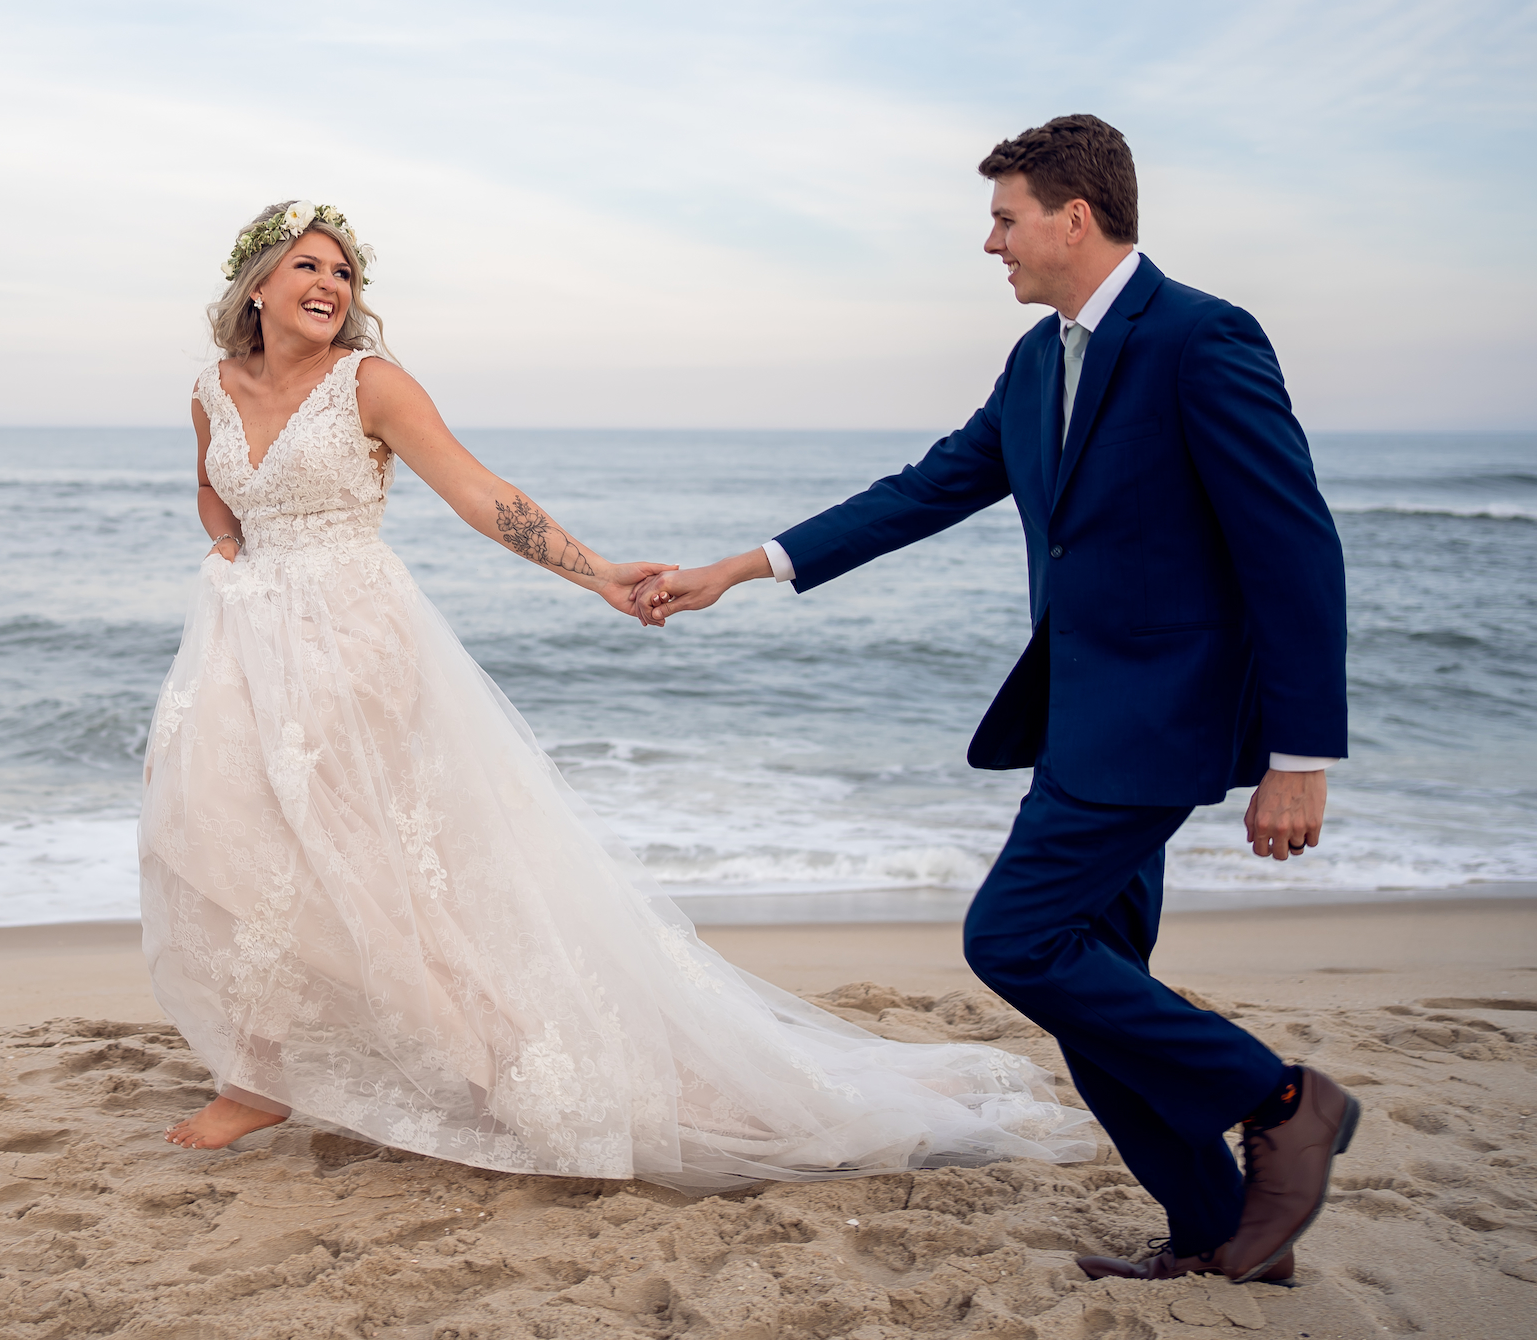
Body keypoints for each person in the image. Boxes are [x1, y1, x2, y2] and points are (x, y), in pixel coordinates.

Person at [138, 198, 1094, 1197]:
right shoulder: (211, 389)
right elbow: (218, 486)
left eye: (344, 272)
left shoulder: (370, 385)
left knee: (361, 860)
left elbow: (481, 494)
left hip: (356, 638)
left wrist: (593, 573)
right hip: (243, 640)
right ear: (257, 286)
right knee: (233, 846)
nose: (332, 284)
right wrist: (229, 544)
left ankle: (448, 1060)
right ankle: (261, 1068)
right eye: (309, 267)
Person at [633, 116, 1359, 1279]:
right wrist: (746, 565)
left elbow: (1294, 547)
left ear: (1076, 216)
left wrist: (1301, 752)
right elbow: (927, 489)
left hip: (1162, 720)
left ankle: (1283, 1099)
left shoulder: (1202, 337)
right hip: (1080, 717)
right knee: (1093, 994)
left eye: (1004, 216)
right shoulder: (1038, 362)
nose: (990, 243)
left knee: (1012, 938)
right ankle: (1224, 1233)